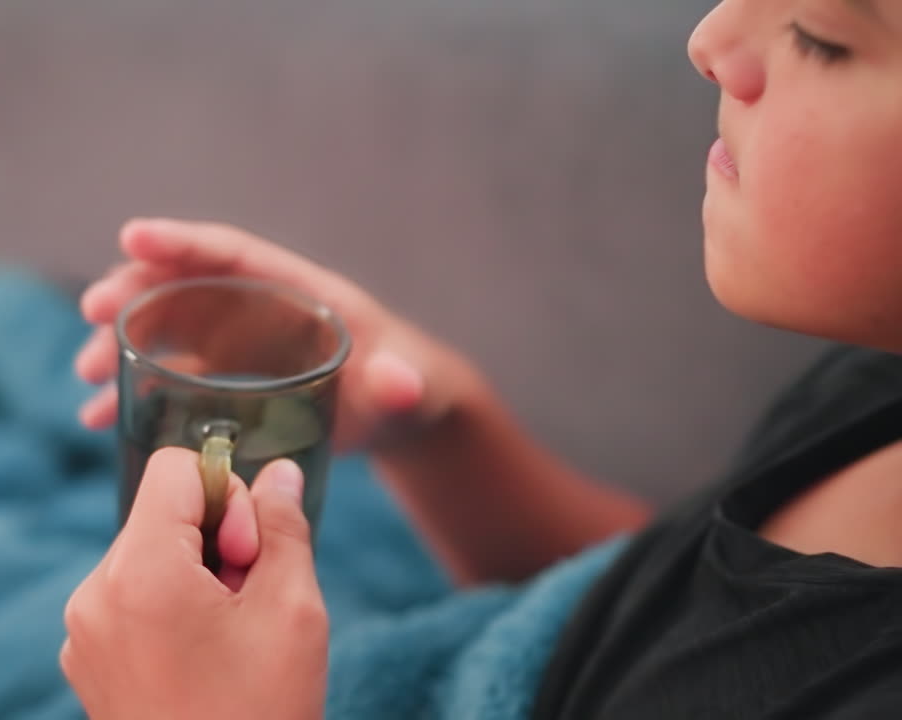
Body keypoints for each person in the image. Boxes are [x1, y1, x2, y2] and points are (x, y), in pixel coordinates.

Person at [59, 0, 902, 717]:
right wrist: (436, 424)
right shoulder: (871, 385)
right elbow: (661, 623)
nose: (710, 40)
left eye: (821, 34)